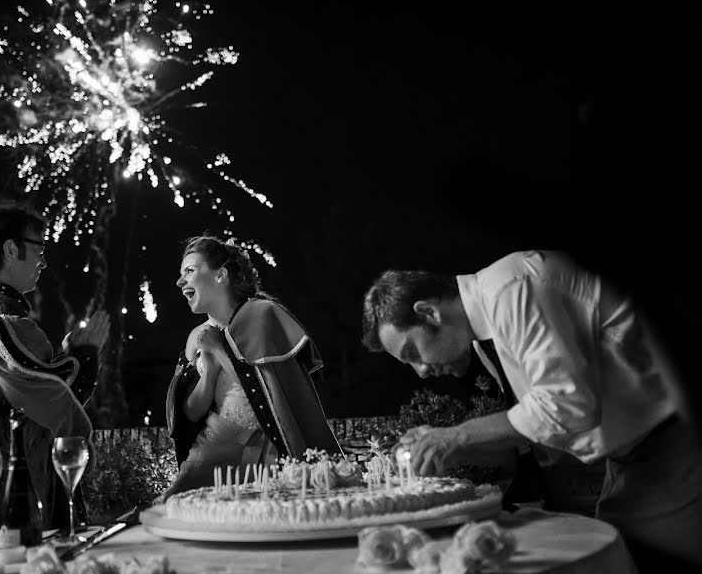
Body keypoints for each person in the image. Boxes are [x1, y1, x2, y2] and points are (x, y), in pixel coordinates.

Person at [361, 250, 702, 571]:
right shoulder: (488, 328)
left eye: (412, 352)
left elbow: (566, 405)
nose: (420, 371)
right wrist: (451, 447)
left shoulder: (512, 287)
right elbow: (534, 427)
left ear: (428, 313)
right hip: (633, 460)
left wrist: (456, 437)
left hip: (676, 444)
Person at [0, 202, 109, 564]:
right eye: (39, 249)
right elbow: (51, 399)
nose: (43, 262)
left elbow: (19, 383)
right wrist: (85, 355)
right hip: (7, 504)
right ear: (11, 250)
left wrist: (61, 357)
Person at [161, 235, 341, 500]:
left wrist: (219, 350)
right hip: (214, 447)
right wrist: (209, 371)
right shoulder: (196, 337)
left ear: (220, 275)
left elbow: (265, 389)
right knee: (179, 505)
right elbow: (192, 412)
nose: (180, 282)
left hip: (270, 446)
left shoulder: (262, 315)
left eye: (189, 271)